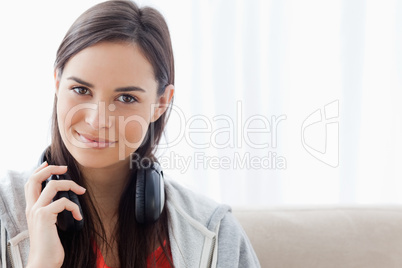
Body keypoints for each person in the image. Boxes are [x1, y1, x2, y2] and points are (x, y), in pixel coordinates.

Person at [0, 0, 260, 267]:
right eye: (81, 90)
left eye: (126, 97)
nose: (96, 120)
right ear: (57, 82)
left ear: (161, 103)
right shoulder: (4, 213)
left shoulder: (214, 232)